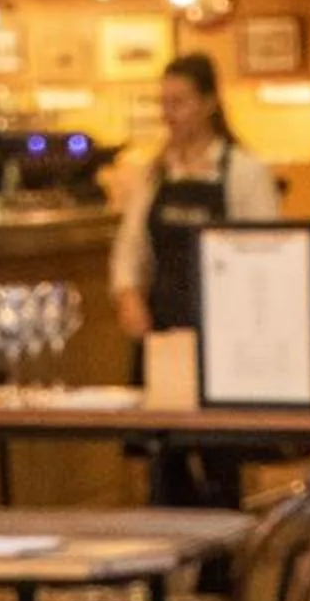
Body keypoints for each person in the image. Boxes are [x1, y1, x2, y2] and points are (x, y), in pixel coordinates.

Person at [111, 49, 280, 509]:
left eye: (179, 102)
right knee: (164, 458)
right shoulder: (156, 173)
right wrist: (128, 295)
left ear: (208, 103)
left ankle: (221, 569)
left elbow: (266, 254)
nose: (170, 115)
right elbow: (131, 247)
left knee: (220, 458)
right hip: (164, 330)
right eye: (163, 103)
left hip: (223, 337)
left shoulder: (243, 171)